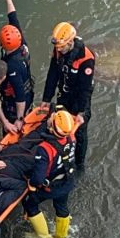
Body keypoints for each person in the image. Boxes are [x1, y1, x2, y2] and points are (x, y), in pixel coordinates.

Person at [41, 21, 95, 172]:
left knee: (80, 132)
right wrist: (46, 98)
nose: (59, 50)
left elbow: (85, 89)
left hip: (79, 99)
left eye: (61, 47)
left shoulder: (86, 58)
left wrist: (81, 112)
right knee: (59, 125)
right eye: (57, 47)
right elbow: (53, 74)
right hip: (64, 94)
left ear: (70, 42)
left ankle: (80, 163)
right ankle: (60, 159)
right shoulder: (59, 49)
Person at [23, 110, 79, 238]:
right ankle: (61, 237)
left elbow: (38, 178)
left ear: (52, 127)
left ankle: (44, 237)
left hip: (51, 186)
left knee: (29, 204)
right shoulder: (71, 138)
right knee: (61, 206)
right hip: (67, 181)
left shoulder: (45, 148)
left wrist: (31, 184)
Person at [0, 0, 34, 125]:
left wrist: (19, 119)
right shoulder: (22, 44)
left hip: (15, 105)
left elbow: (19, 95)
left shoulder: (11, 66)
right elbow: (13, 18)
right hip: (29, 93)